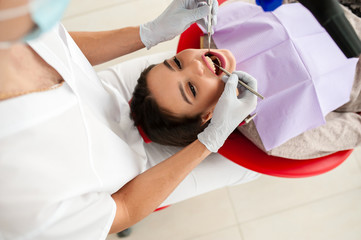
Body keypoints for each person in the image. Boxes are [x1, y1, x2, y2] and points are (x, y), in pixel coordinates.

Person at [0, 0, 260, 239]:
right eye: (190, 88)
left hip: (112, 100)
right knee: (247, 169)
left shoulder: (18, 22)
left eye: (175, 62)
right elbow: (122, 208)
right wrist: (209, 141)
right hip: (128, 178)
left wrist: (147, 33)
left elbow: (61, 48)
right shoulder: (22, 195)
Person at [130, 1, 361, 160]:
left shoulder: (221, 25)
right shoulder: (273, 132)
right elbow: (353, 129)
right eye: (191, 88)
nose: (195, 66)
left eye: (176, 64)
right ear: (207, 116)